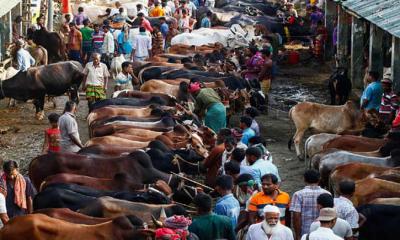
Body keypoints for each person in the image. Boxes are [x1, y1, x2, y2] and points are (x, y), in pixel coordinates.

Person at [290, 169, 330, 240]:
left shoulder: (298, 194)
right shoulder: (327, 193)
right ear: (319, 179)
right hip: (324, 231)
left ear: (304, 179)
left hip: (305, 233)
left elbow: (296, 216)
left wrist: (298, 235)